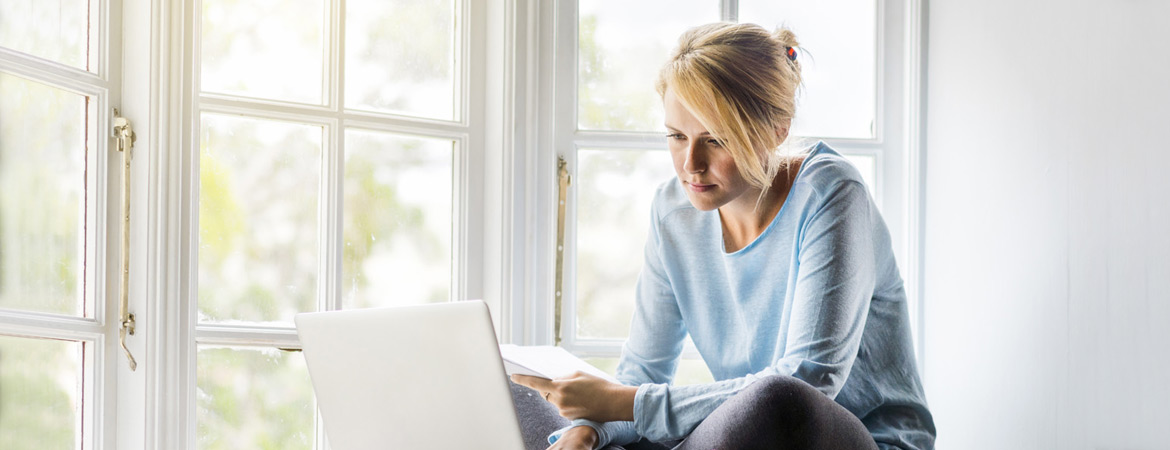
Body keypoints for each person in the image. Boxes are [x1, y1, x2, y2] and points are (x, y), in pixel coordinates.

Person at [511, 22, 935, 450]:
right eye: (677, 137)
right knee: (522, 397)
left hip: (844, 436)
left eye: (715, 140)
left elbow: (810, 379)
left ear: (777, 129)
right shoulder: (673, 212)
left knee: (776, 397)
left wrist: (626, 402)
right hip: (746, 434)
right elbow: (642, 374)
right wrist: (589, 430)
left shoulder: (831, 194)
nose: (690, 164)